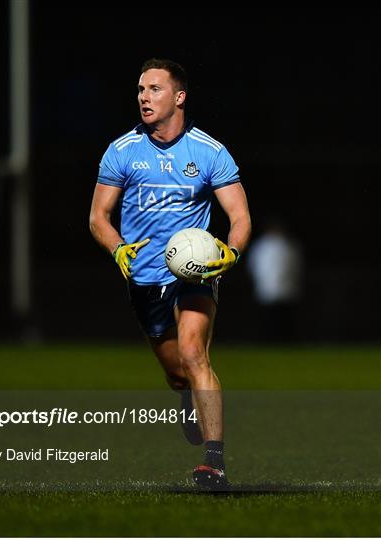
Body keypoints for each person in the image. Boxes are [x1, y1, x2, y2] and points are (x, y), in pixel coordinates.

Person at [89, 58, 251, 489]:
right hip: (143, 278)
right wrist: (118, 248)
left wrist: (231, 253)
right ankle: (185, 397)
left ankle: (214, 463)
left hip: (194, 275)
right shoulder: (122, 151)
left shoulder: (209, 151)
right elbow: (97, 217)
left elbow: (240, 216)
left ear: (179, 97)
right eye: (140, 89)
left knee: (195, 353)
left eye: (154, 89)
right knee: (177, 371)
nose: (144, 96)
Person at [246, 218, 303, 342]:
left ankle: (284, 342)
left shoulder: (288, 245)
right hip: (269, 289)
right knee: (270, 321)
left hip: (284, 290)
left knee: (284, 321)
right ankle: (269, 341)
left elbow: (295, 266)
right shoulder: (263, 246)